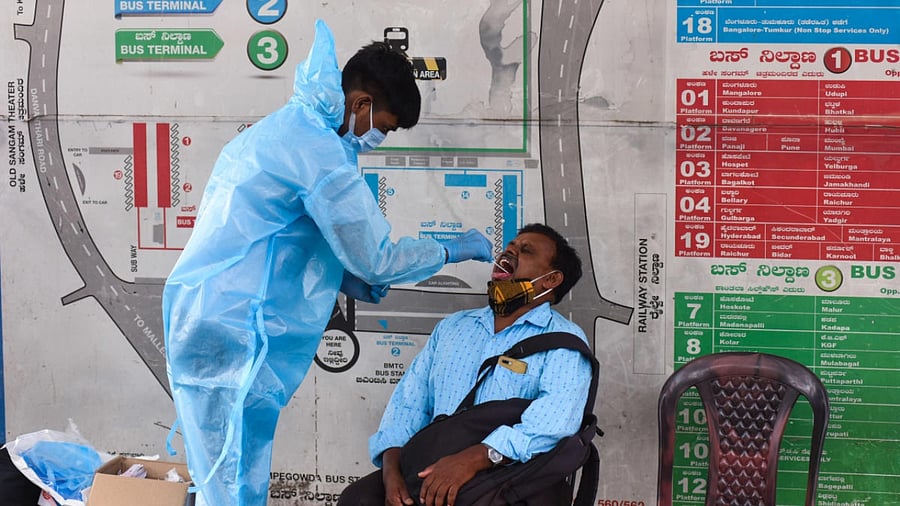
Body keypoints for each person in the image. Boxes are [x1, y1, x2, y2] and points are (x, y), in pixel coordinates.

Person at [161, 19, 493, 506]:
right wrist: (451, 249)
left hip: (214, 316)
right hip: (235, 329)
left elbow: (278, 238)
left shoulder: (289, 130)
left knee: (229, 471)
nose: (378, 138)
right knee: (228, 476)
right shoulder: (318, 153)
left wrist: (344, 277)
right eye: (383, 128)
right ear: (361, 104)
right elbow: (378, 259)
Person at [339, 223, 594, 506]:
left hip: (509, 480)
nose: (511, 250)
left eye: (526, 250)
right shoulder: (454, 327)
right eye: (511, 245)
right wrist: (392, 472)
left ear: (551, 279)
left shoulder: (564, 341)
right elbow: (408, 404)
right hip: (430, 470)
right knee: (357, 500)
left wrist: (474, 459)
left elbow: (555, 423)